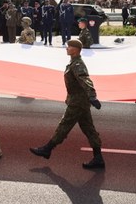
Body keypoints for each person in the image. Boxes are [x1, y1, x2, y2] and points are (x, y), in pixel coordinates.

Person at [30, 39, 105, 169]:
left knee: (65, 125)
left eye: (69, 47)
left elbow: (85, 80)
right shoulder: (73, 63)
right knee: (89, 129)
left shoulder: (77, 65)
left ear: (75, 49)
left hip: (77, 102)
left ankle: (47, 149)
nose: (67, 48)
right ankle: (98, 158)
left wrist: (92, 96)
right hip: (79, 101)